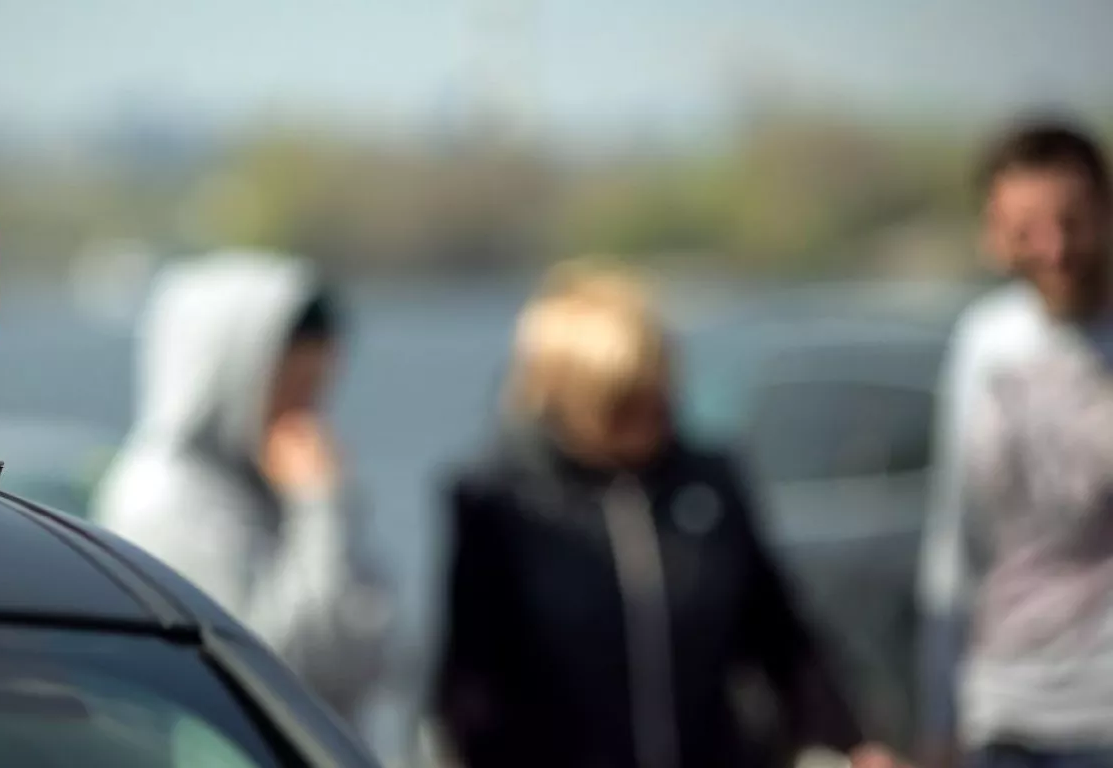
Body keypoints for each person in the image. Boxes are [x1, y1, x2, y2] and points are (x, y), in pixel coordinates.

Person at [432, 260, 903, 768]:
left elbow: (780, 639)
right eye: (620, 404)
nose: (645, 417)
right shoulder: (503, 504)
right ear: (566, 397)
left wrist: (856, 743)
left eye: (654, 394)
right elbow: (469, 691)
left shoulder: (708, 486)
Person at [91, 251, 393, 733]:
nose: (304, 413)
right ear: (226, 375)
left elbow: (374, 655)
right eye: (289, 387)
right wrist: (320, 510)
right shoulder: (165, 498)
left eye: (315, 390)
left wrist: (327, 503)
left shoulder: (278, 481)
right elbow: (273, 669)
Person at [918, 120, 1113, 768]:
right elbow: (956, 538)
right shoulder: (983, 341)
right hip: (1003, 713)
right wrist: (939, 709)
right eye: (1026, 230)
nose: (1054, 248)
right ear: (993, 233)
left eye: (1072, 221)